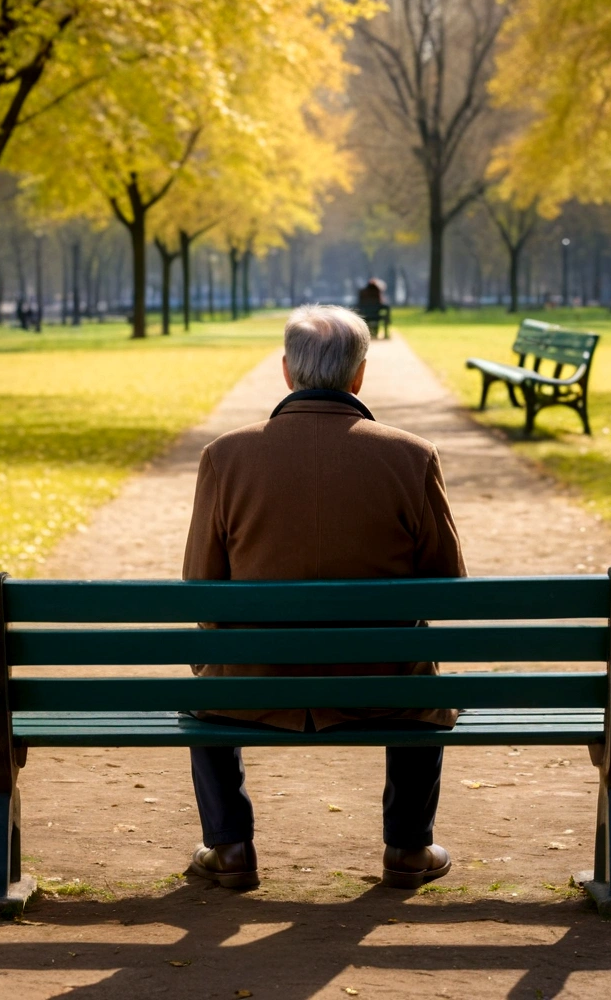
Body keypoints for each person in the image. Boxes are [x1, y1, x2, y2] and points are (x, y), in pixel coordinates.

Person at [183, 304, 465, 890]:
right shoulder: (411, 456)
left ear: (287, 372)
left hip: (254, 681)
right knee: (422, 674)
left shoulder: (225, 456)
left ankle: (230, 845)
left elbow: (201, 591)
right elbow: (448, 584)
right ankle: (409, 848)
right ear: (359, 375)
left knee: (203, 681)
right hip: (380, 680)